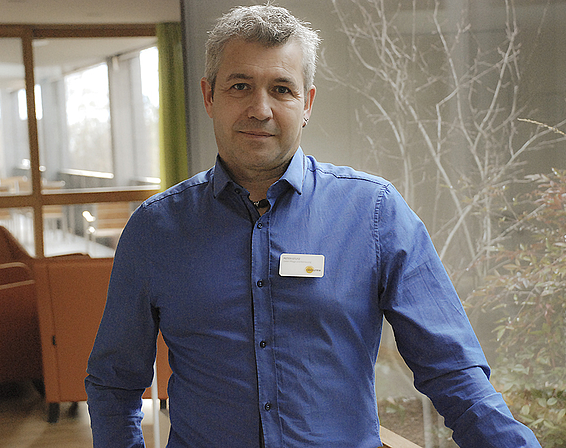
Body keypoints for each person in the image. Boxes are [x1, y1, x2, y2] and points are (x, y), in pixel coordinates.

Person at [86, 4, 541, 448]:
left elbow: (453, 371)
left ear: (307, 103)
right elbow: (113, 382)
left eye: (281, 89)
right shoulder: (155, 229)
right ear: (209, 96)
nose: (260, 109)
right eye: (240, 85)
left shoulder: (375, 213)